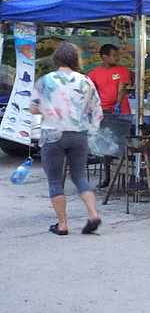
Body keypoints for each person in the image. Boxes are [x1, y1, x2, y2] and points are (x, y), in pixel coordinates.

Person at [30, 42, 104, 235]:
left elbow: (33, 108)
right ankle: (93, 213)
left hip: (53, 134)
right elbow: (96, 109)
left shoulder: (45, 81)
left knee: (54, 180)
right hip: (78, 134)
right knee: (79, 176)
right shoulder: (86, 81)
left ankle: (62, 224)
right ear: (75, 59)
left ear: (56, 59)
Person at [87, 43, 132, 187]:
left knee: (123, 144)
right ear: (104, 57)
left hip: (122, 112)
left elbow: (121, 89)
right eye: (114, 55)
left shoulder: (123, 70)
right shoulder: (94, 74)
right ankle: (107, 177)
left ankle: (126, 178)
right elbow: (90, 92)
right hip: (104, 112)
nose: (116, 58)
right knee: (106, 145)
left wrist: (118, 104)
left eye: (117, 55)